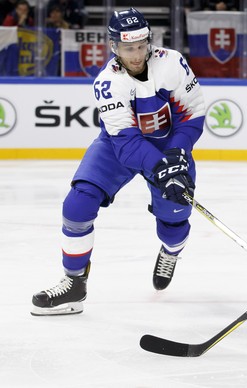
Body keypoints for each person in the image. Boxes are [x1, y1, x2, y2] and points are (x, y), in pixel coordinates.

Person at [30, 8, 205, 316]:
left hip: (169, 148)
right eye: (128, 48)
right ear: (114, 46)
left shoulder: (172, 62)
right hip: (118, 148)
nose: (136, 55)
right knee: (77, 205)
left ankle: (171, 252)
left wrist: (177, 155)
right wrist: (164, 169)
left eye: (141, 46)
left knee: (174, 224)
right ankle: (73, 284)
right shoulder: (107, 83)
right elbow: (126, 143)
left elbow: (193, 113)